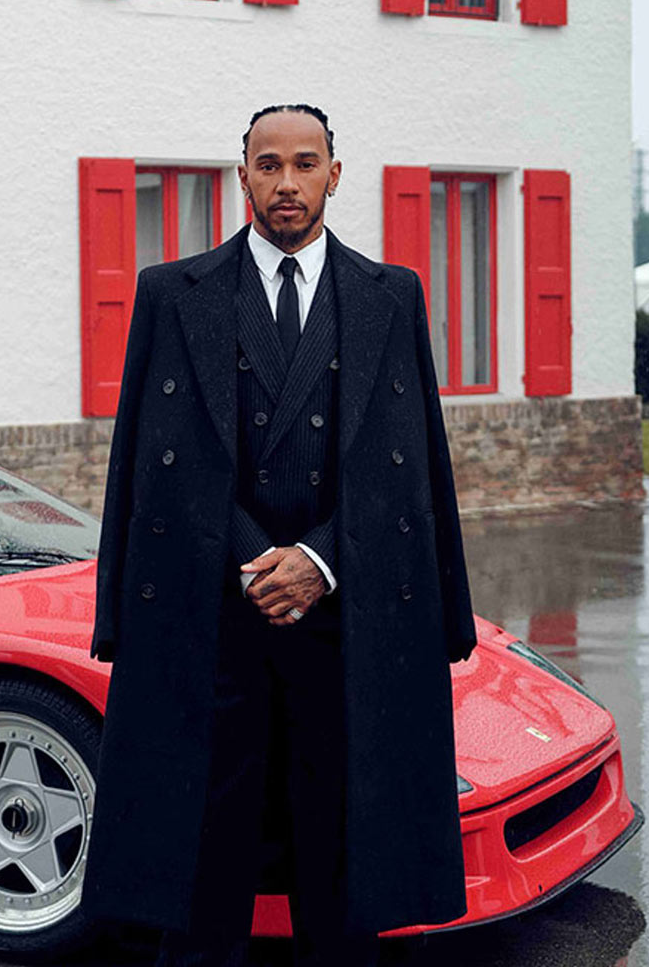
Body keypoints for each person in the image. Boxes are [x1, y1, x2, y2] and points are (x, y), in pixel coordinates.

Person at [82, 105, 478, 966]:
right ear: (243, 176)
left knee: (340, 843)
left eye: (306, 164)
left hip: (348, 620)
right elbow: (147, 461)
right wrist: (254, 562)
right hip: (211, 616)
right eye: (269, 165)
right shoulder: (171, 292)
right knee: (204, 847)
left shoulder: (391, 295)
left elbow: (410, 466)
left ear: (336, 173)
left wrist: (320, 560)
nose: (287, 182)